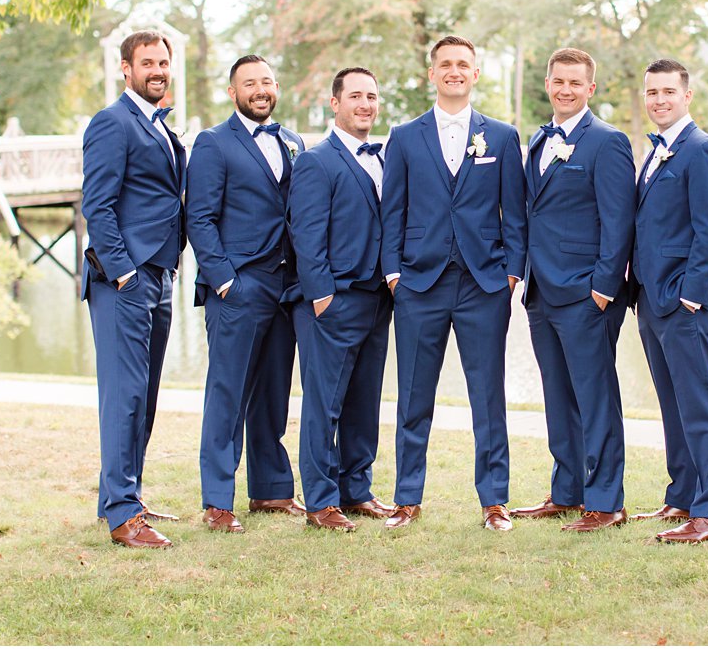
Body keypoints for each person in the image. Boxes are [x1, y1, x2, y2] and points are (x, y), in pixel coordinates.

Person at [379, 34, 527, 531]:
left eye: (464, 64)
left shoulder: (502, 137)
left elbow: (516, 213)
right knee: (413, 397)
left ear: (476, 73)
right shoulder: (403, 136)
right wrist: (394, 272)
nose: (455, 71)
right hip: (419, 284)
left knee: (489, 396)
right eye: (446, 64)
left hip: (484, 285)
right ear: (432, 73)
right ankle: (406, 499)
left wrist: (511, 272)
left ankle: (494, 501)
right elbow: (391, 211)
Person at [511, 48, 635, 532]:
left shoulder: (607, 142)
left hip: (587, 294)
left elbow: (618, 220)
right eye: (558, 81)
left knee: (595, 397)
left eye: (575, 83)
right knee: (558, 396)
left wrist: (603, 288)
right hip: (542, 291)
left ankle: (606, 502)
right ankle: (567, 490)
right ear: (548, 84)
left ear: (591, 89)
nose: (565, 89)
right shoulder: (540, 140)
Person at [187, 55, 305, 533]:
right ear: (232, 93)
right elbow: (199, 217)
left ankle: (271, 490)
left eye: (267, 82)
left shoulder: (293, 142)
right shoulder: (213, 143)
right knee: (228, 393)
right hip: (239, 285)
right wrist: (224, 280)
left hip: (285, 286)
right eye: (249, 83)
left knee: (274, 391)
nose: (260, 90)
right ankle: (218, 501)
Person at [80, 29, 187, 549]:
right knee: (123, 396)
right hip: (123, 280)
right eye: (147, 62)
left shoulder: (163, 129)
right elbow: (96, 205)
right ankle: (123, 516)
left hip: (159, 275)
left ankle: (127, 498)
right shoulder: (112, 123)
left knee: (143, 397)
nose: (157, 70)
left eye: (163, 62)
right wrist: (123, 272)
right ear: (127, 69)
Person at [628, 58, 708, 544]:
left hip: (684, 302)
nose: (659, 100)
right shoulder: (656, 152)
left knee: (701, 405)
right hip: (652, 302)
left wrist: (691, 296)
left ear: (686, 96)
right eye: (652, 92)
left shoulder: (703, 149)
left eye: (668, 92)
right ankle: (684, 495)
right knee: (673, 405)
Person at [287, 67, 398, 532]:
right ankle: (320, 501)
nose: (365, 105)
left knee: (363, 402)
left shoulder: (385, 159)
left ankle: (356, 489)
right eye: (355, 96)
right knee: (324, 404)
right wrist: (322, 298)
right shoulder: (316, 161)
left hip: (376, 301)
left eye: (371, 97)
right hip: (333, 302)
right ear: (335, 103)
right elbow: (305, 235)